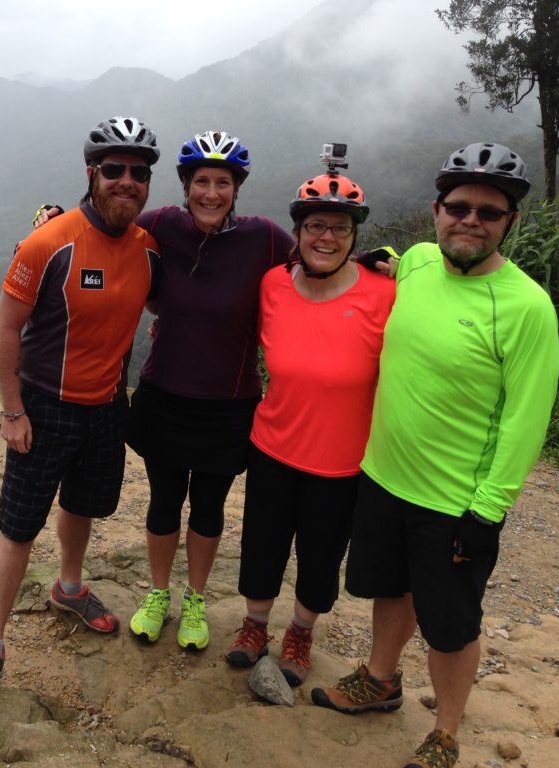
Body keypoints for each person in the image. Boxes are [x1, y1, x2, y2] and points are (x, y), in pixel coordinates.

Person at [310, 143, 559, 768]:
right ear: (436, 211)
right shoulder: (419, 262)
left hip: (454, 502)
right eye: (458, 207)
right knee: (390, 590)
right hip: (383, 477)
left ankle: (446, 731)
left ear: (510, 221)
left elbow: (526, 420)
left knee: (451, 626)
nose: (470, 220)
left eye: (489, 212)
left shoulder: (527, 308)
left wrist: (489, 511)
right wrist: (380, 260)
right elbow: (400, 266)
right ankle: (380, 679)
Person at [40, 131, 294, 651]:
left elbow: (317, 258)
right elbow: (104, 224)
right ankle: (159, 594)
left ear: (237, 189)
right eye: (201, 181)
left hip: (230, 402)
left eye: (222, 183)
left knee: (209, 507)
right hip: (166, 395)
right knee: (163, 502)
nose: (211, 193)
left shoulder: (265, 238)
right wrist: (55, 218)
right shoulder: (160, 226)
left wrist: (380, 262)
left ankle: (195, 599)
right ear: (184, 185)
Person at [0, 116, 161, 701]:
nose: (127, 181)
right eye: (115, 168)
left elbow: (171, 303)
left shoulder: (148, 248)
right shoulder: (48, 242)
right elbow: (5, 329)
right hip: (43, 406)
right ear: (92, 172)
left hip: (106, 408)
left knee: (82, 504)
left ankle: (69, 588)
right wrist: (12, 410)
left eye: (139, 172)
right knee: (18, 526)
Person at [225, 161, 397, 689]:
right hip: (272, 444)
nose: (327, 237)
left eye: (339, 227)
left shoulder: (385, 292)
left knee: (321, 554)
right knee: (262, 542)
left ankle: (300, 633)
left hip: (343, 459)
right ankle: (255, 625)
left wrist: (400, 262)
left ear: (355, 236)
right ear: (297, 232)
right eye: (316, 225)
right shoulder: (273, 284)